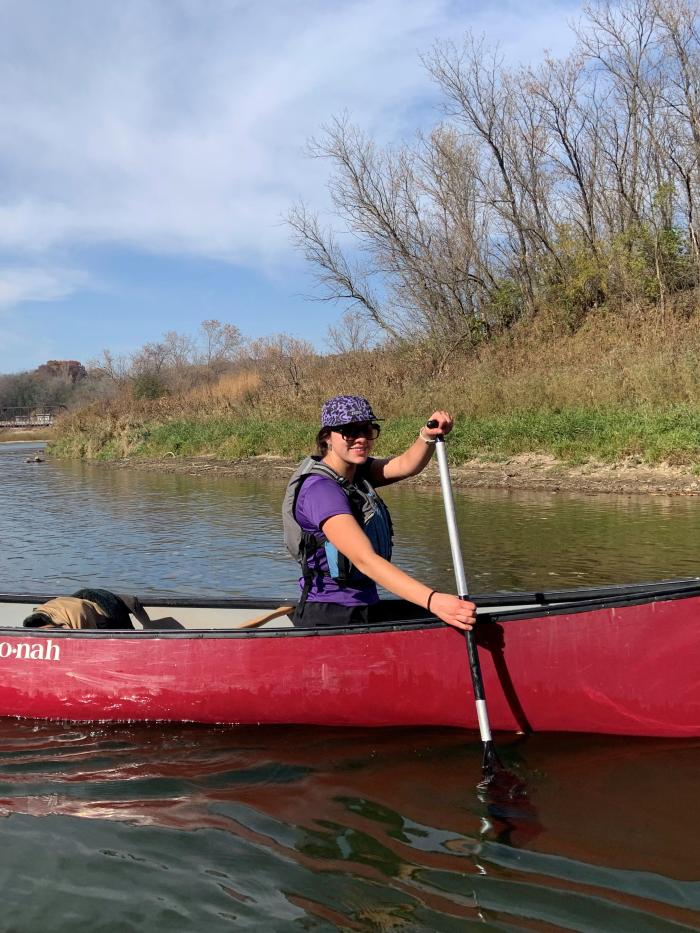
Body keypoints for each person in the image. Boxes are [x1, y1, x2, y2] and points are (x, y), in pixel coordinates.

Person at [283, 395, 476, 631]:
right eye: (349, 431)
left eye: (367, 430)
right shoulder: (321, 491)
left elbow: (405, 465)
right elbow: (365, 559)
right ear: (327, 437)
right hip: (330, 614)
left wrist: (427, 436)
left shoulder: (356, 473)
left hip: (366, 606)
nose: (361, 439)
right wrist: (433, 600)